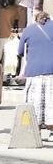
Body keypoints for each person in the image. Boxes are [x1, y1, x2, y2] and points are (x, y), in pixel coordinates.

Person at [20, 11, 53, 141]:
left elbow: (20, 51)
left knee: (35, 102)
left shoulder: (29, 30)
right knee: (51, 102)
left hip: (34, 72)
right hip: (52, 71)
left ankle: (35, 131)